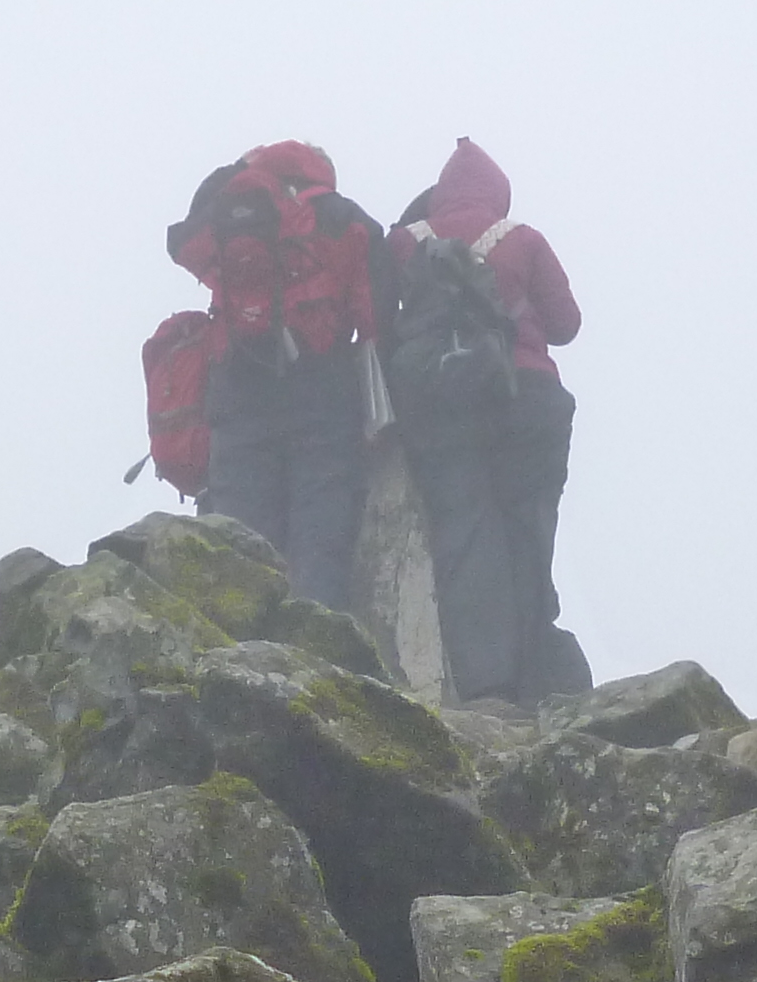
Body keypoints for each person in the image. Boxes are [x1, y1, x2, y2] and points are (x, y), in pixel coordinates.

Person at [378, 136, 584, 703]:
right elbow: (566, 325)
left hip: (441, 403)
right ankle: (542, 678)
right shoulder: (522, 239)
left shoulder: (405, 242)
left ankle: (486, 683)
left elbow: (377, 321)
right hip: (527, 397)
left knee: (466, 536)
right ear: (498, 193)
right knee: (529, 532)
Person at [163, 141, 382, 604]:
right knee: (320, 530)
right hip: (322, 386)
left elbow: (180, 242)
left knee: (240, 532)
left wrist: (236, 170)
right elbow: (376, 312)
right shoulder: (339, 216)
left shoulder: (229, 212)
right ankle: (316, 651)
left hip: (237, 384)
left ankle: (241, 655)